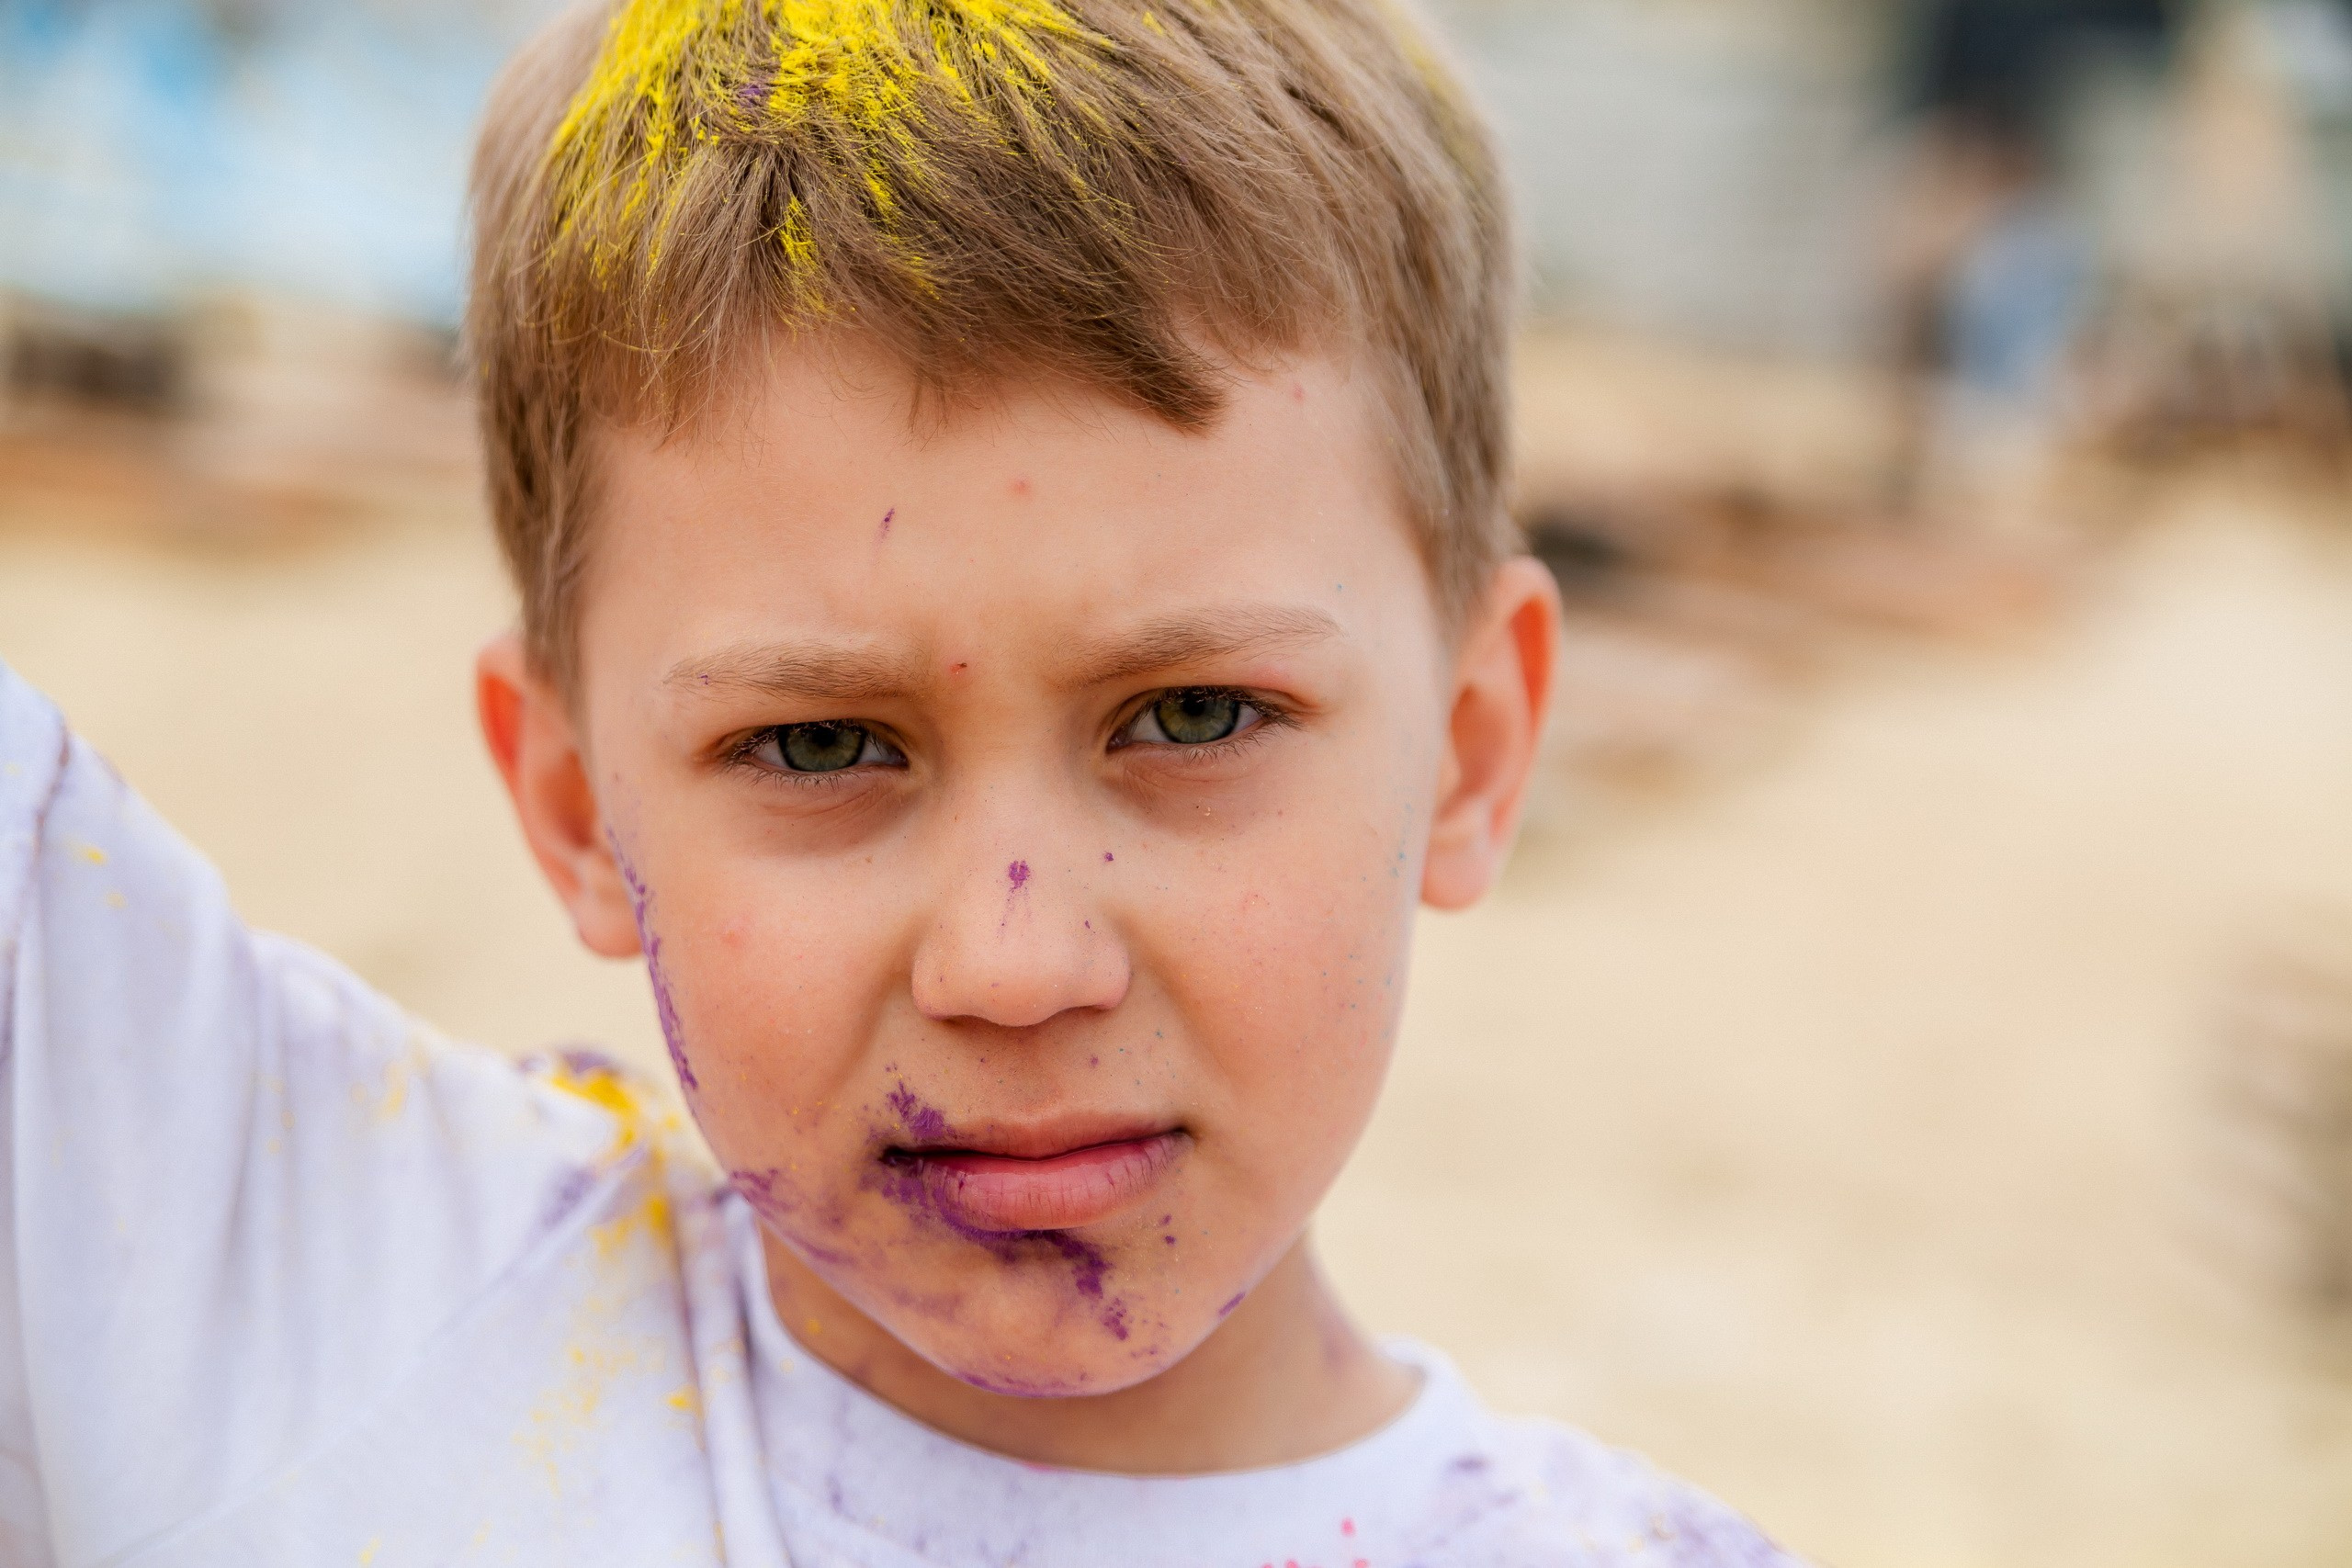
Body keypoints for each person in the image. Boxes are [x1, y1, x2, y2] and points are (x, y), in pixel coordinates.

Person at [0, 0, 1807, 1561]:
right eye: (817, 745)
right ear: (571, 801)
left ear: (1472, 748)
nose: (1013, 966)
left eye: (1190, 716)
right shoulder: (265, 1302)